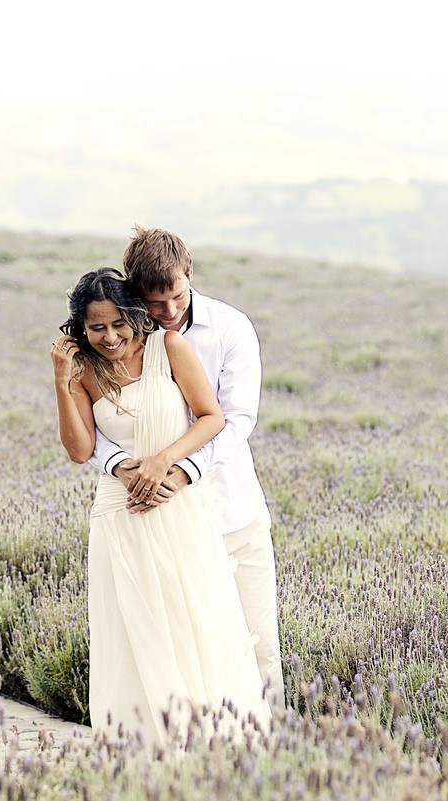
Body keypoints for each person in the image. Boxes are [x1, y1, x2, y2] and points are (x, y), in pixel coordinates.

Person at [51, 267, 270, 747]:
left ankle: (216, 748)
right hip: (119, 515)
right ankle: (143, 759)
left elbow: (214, 417)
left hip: (178, 508)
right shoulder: (84, 371)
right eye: (96, 328)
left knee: (197, 626)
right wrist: (61, 377)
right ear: (81, 328)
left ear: (133, 316)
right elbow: (79, 449)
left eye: (117, 325)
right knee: (133, 635)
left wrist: (164, 463)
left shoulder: (167, 347)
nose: (109, 337)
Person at [90, 226, 284, 703]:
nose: (170, 313)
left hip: (233, 513)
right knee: (183, 657)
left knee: (256, 647)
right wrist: (121, 465)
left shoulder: (231, 327)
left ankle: (273, 762)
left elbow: (236, 420)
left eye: (177, 296)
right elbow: (96, 428)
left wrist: (178, 471)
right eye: (156, 305)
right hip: (163, 529)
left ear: (189, 275)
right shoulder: (123, 341)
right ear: (136, 294)